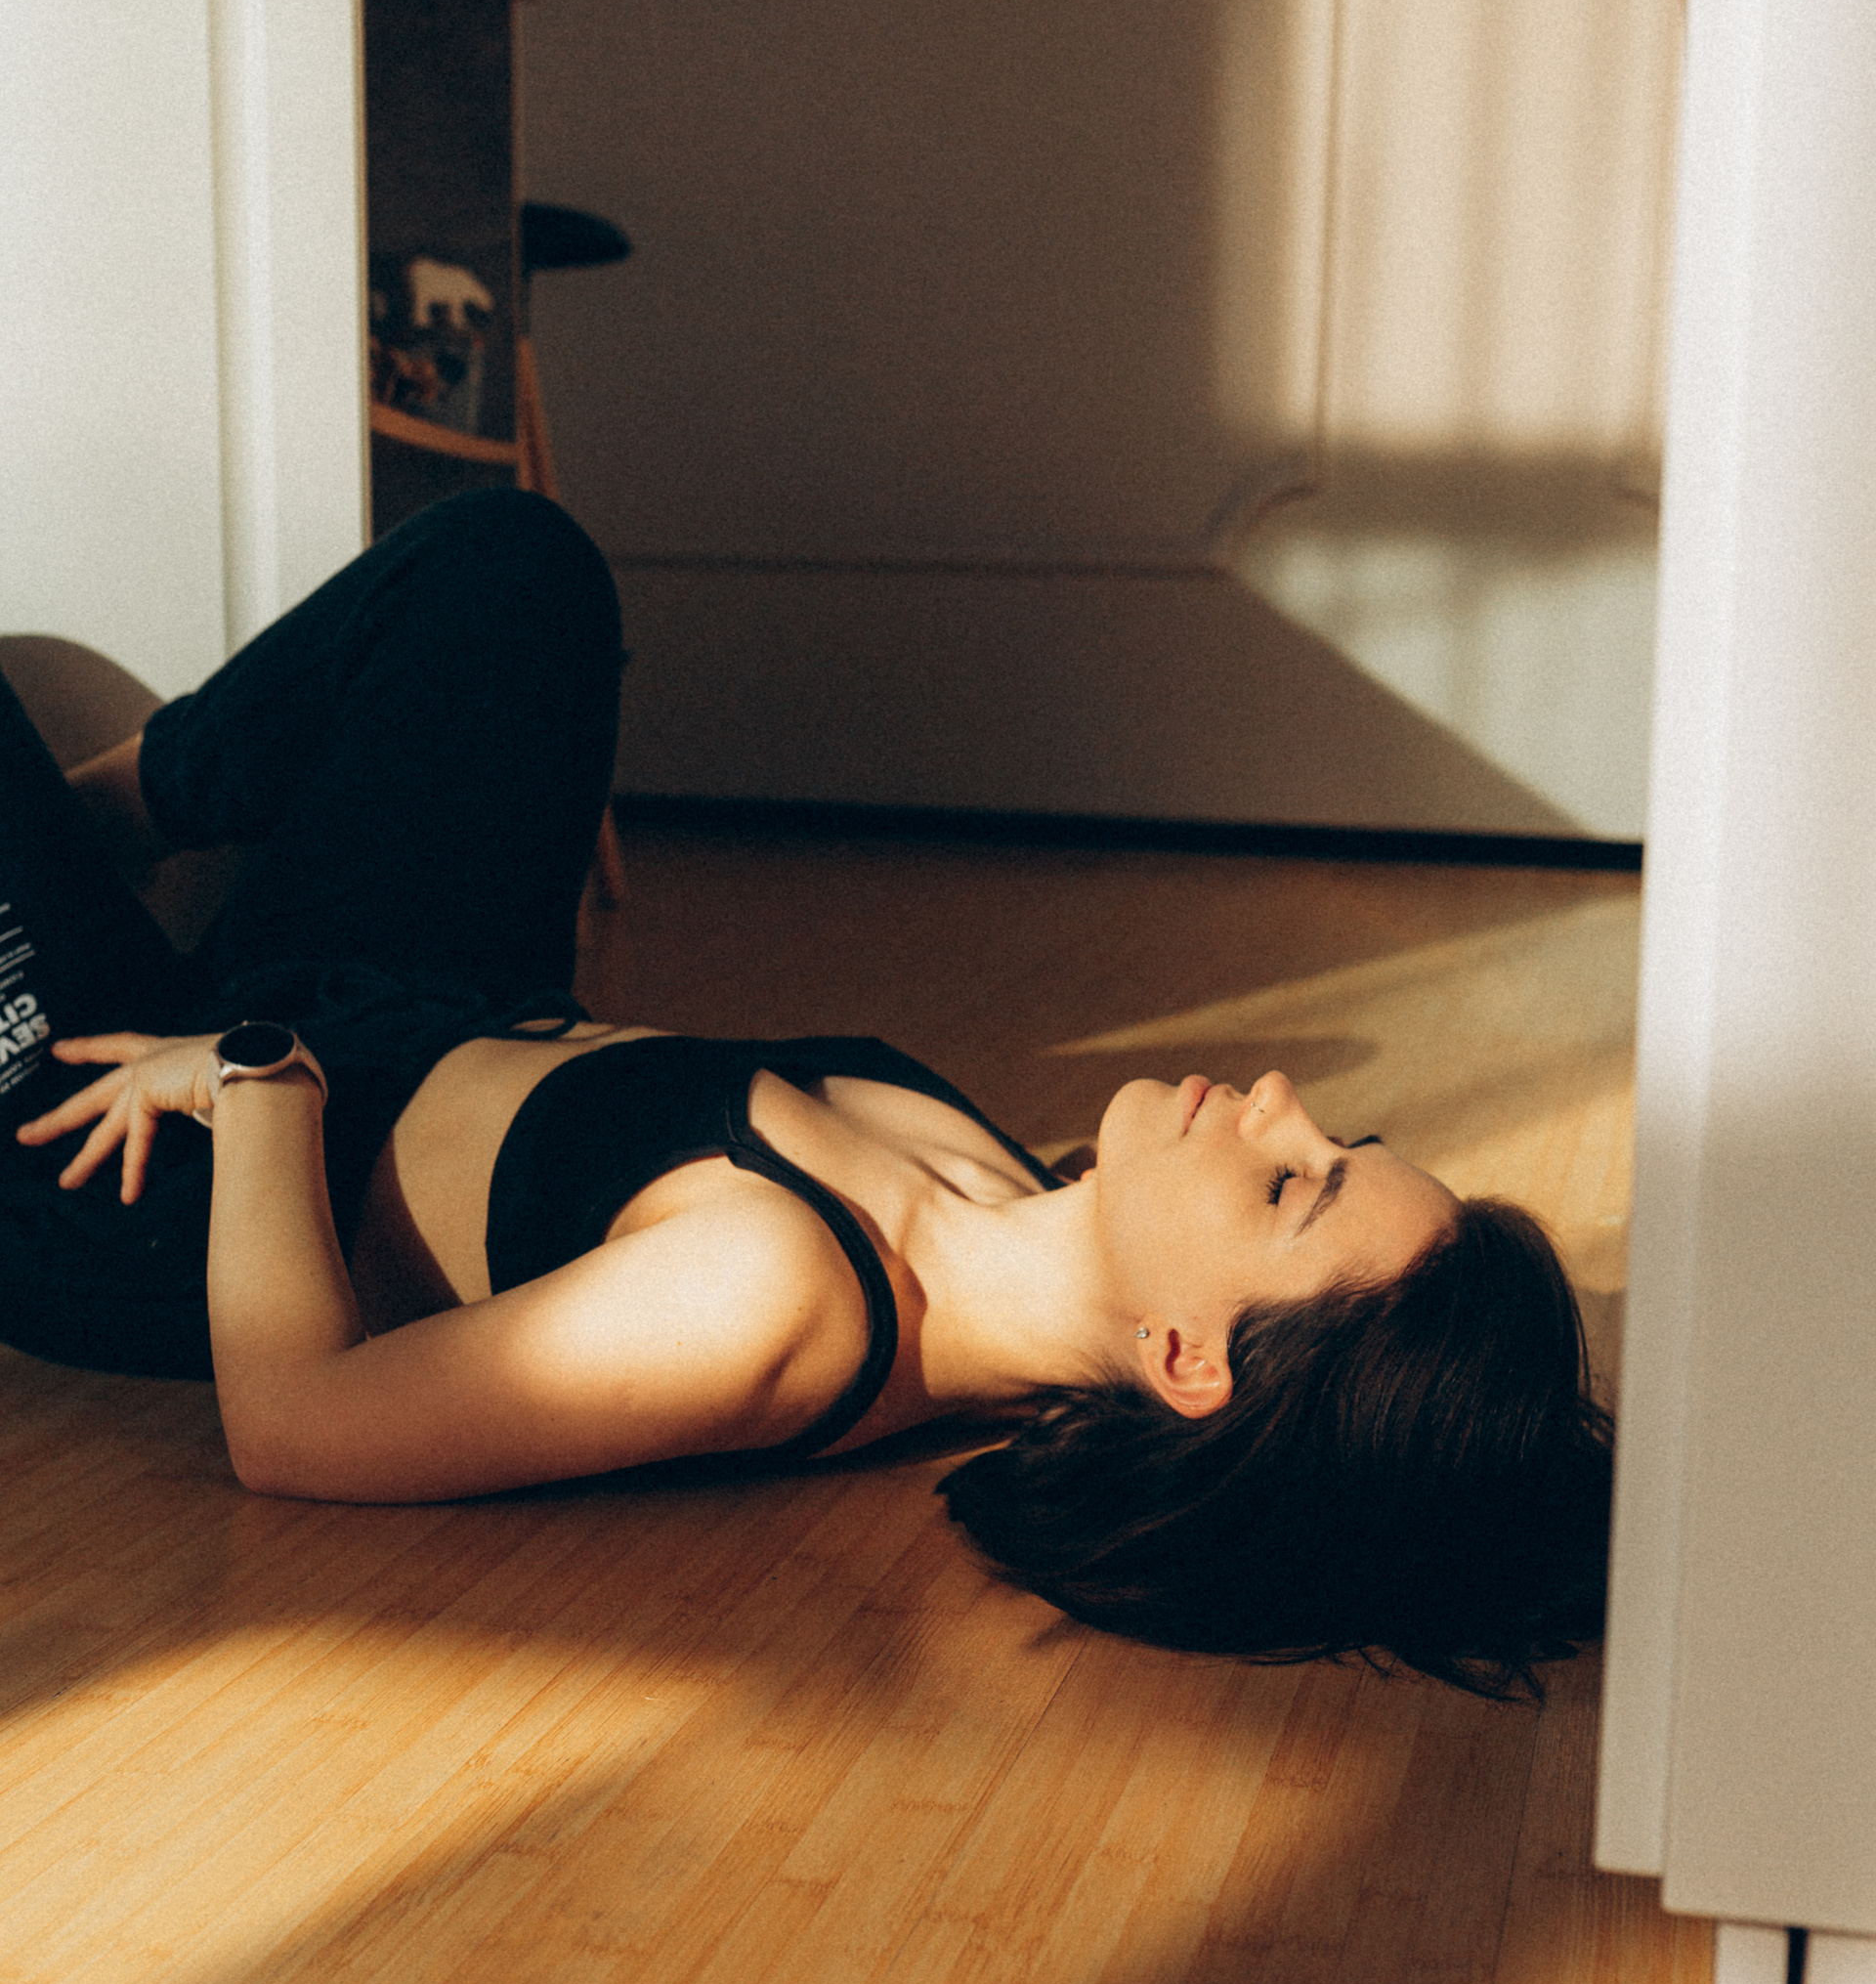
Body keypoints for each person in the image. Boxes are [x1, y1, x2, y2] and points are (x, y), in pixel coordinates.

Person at [1, 490, 1611, 1696]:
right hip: (407, 996)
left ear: (1188, 1357)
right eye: (1337, 1137)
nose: (1277, 1098)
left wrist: (258, 1083)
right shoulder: (1012, 1191)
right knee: (515, 567)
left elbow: (293, 1424)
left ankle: (69, 885)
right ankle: (101, 825)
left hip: (146, 1161)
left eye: (1291, 1181)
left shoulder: (779, 1301)